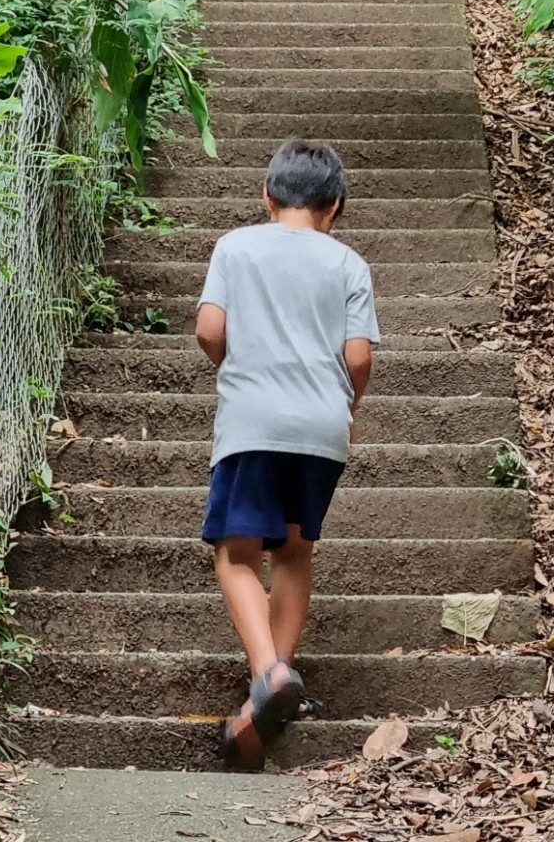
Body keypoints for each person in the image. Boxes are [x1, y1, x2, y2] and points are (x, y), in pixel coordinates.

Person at [195, 139, 380, 768]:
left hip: (253, 422)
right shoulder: (350, 263)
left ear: (267, 197)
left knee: (238, 552)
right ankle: (261, 710)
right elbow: (358, 358)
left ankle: (268, 672)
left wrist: (237, 369)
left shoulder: (235, 246)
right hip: (322, 429)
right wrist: (345, 408)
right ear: (336, 206)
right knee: (296, 551)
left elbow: (208, 330)